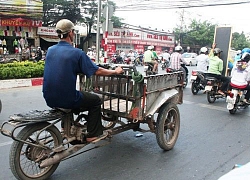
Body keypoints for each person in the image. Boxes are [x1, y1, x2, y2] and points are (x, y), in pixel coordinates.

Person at [42, 19, 124, 143]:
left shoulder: (51, 50)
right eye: (73, 32)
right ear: (70, 33)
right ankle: (92, 134)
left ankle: (65, 127)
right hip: (67, 98)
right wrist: (115, 72)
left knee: (68, 94)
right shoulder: (77, 53)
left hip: (48, 97)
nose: (74, 34)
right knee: (95, 100)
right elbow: (96, 71)